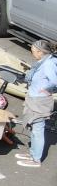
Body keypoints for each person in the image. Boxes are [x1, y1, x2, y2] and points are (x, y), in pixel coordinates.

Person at [17, 39, 57, 167]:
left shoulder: (49, 64)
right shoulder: (43, 61)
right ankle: (33, 154)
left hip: (40, 101)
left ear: (40, 52)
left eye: (33, 51)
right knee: (34, 128)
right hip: (34, 98)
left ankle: (36, 160)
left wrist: (46, 89)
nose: (32, 53)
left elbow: (54, 81)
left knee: (38, 130)